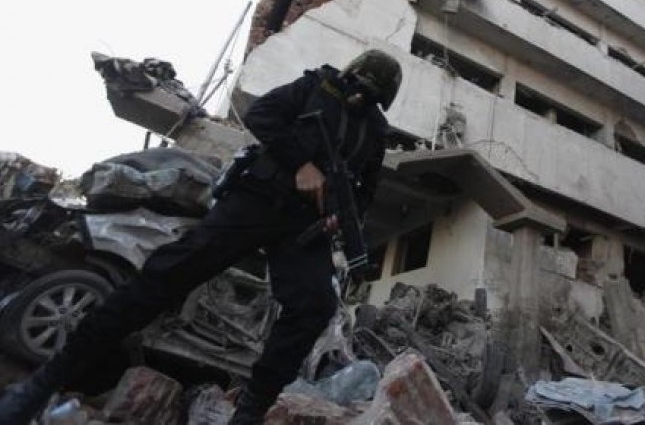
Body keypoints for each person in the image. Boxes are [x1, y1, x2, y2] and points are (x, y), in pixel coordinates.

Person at [0, 49, 403, 425]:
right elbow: (261, 114)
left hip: (303, 226)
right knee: (166, 273)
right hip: (256, 201)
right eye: (360, 89)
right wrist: (301, 163)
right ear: (351, 77)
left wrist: (338, 217)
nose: (361, 100)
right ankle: (47, 381)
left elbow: (365, 191)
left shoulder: (376, 132)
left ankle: (249, 413)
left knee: (315, 305)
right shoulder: (313, 88)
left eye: (373, 96)